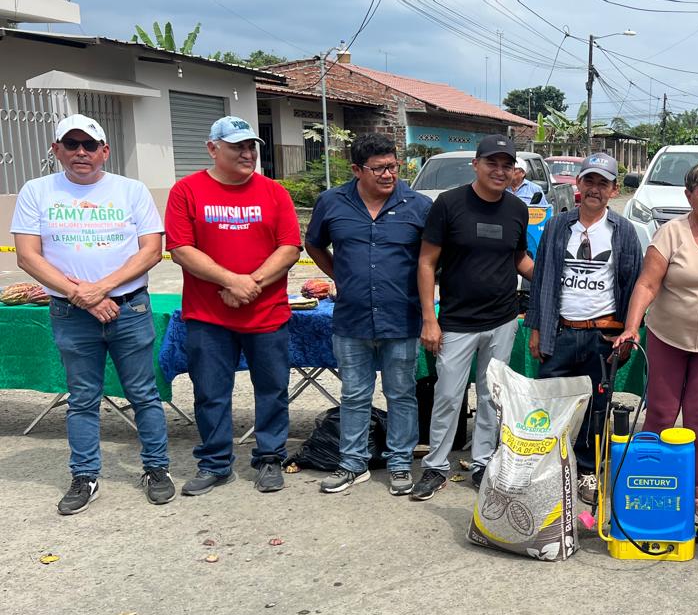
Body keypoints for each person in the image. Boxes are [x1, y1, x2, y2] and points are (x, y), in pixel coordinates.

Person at [10, 114, 173, 514]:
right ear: (57, 150)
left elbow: (151, 250)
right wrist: (82, 295)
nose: (80, 152)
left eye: (89, 145)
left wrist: (102, 288)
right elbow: (28, 256)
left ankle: (156, 468)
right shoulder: (36, 191)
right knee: (83, 398)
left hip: (129, 307)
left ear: (105, 151)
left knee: (143, 393)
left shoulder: (131, 190)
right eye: (71, 144)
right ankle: (85, 475)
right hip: (71, 312)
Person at [165, 116, 301, 496]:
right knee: (210, 392)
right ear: (213, 148)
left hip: (266, 313)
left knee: (272, 389)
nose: (247, 154)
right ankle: (215, 462)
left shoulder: (274, 192)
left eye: (251, 146)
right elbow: (180, 249)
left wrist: (249, 284)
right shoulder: (186, 191)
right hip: (208, 317)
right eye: (237, 147)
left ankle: (270, 457)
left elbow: (289, 248)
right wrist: (230, 281)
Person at [614, 160, 698, 518]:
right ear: (689, 195)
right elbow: (647, 284)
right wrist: (631, 326)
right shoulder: (670, 234)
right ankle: (652, 479)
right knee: (661, 412)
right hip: (668, 337)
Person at [304, 133, 431, 496]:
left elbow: (431, 259)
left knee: (401, 393)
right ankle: (352, 463)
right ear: (357, 170)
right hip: (352, 318)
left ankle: (400, 463)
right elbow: (313, 244)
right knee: (354, 394)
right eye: (378, 169)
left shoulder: (418, 205)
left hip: (401, 317)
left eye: (393, 166)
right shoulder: (332, 202)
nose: (388, 174)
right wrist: (340, 276)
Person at [413, 134, 534, 500]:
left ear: (514, 171)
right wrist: (429, 318)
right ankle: (436, 466)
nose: (499, 171)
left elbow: (518, 258)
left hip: (502, 319)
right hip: (457, 321)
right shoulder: (449, 204)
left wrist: (550, 278)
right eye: (492, 163)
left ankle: (482, 463)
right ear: (476, 165)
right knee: (448, 396)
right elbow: (426, 262)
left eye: (506, 165)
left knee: (491, 396)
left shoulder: (517, 209)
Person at [527, 152, 642, 505]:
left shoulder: (623, 231)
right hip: (561, 332)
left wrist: (626, 331)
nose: (595, 189)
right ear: (578, 185)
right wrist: (537, 329)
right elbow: (541, 278)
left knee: (596, 408)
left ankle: (588, 470)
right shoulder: (557, 226)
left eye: (602, 183)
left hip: (601, 335)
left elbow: (633, 283)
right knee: (550, 405)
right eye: (589, 181)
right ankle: (547, 468)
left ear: (614, 190)